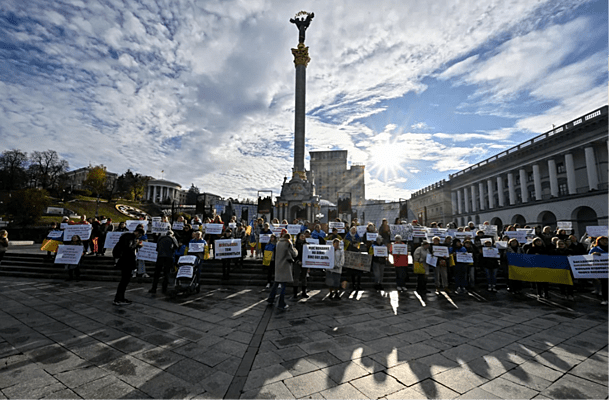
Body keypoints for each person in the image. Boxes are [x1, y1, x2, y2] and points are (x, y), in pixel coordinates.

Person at [112, 228, 144, 305]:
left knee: (124, 280)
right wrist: (137, 246)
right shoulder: (130, 238)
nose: (139, 237)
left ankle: (120, 298)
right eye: (139, 235)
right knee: (124, 280)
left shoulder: (126, 237)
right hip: (126, 261)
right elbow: (128, 248)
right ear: (137, 232)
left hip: (125, 261)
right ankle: (118, 299)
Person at [267, 233, 297, 310]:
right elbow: (294, 254)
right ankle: (281, 303)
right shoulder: (288, 244)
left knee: (276, 283)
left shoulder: (278, 242)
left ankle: (271, 299)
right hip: (285, 266)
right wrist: (294, 248)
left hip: (278, 265)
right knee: (283, 285)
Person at [589, 236, 609, 305]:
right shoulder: (595, 249)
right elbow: (588, 258)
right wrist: (593, 255)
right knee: (605, 285)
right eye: (602, 240)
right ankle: (605, 299)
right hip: (602, 270)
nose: (605, 242)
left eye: (606, 240)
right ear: (598, 241)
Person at [292, 233, 309, 299]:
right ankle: (295, 293)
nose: (303, 237)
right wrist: (298, 261)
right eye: (301, 236)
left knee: (304, 278)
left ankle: (304, 292)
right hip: (297, 263)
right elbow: (294, 254)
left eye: (304, 236)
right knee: (296, 278)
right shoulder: (295, 245)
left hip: (305, 263)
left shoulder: (307, 244)